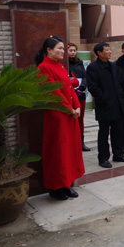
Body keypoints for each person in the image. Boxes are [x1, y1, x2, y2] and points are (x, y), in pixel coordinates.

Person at [35, 36, 85, 200]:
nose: (63, 52)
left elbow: (70, 89)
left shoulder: (61, 67)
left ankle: (68, 183)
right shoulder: (43, 68)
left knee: (69, 150)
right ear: (49, 50)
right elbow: (52, 93)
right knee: (58, 151)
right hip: (57, 116)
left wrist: (77, 105)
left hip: (70, 115)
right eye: (60, 48)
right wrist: (69, 109)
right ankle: (56, 187)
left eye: (64, 49)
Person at [86, 42, 124, 168]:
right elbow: (93, 87)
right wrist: (104, 99)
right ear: (99, 53)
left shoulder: (113, 65)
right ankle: (103, 158)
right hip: (104, 106)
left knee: (118, 132)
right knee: (104, 134)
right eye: (107, 50)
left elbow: (119, 83)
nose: (110, 52)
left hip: (117, 104)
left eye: (110, 50)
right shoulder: (93, 68)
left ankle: (118, 154)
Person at [67, 43, 90, 152]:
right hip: (70, 93)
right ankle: (71, 143)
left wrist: (82, 87)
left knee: (80, 118)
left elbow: (85, 77)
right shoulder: (64, 64)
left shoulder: (80, 63)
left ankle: (81, 142)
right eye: (70, 50)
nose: (72, 52)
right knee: (70, 119)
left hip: (81, 93)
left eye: (74, 50)